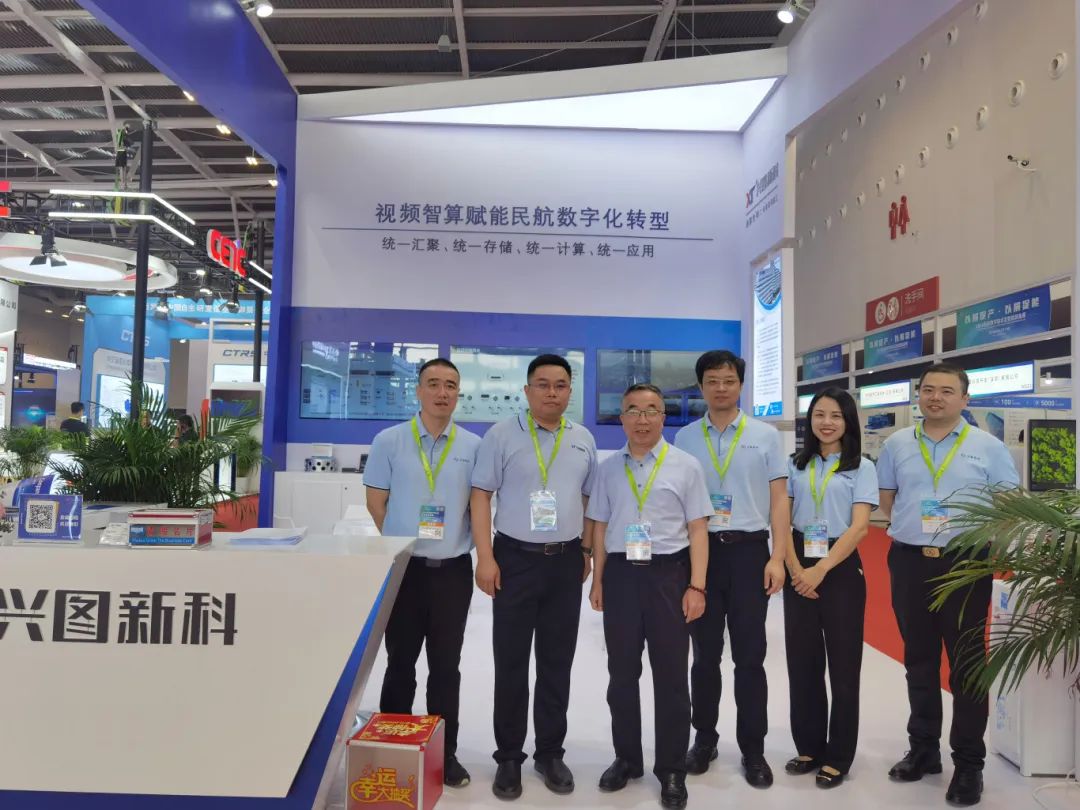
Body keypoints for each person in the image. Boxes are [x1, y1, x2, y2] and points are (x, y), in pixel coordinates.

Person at [877, 363, 1019, 807]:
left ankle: (969, 764)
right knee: (918, 661)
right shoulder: (897, 443)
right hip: (910, 561)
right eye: (928, 390)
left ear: (965, 399)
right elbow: (888, 500)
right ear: (919, 395)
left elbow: (1007, 504)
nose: (935, 397)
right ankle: (923, 750)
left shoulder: (988, 447)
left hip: (965, 565)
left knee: (966, 666)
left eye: (946, 391)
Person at [471, 354, 597, 800]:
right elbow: (481, 496)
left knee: (556, 662)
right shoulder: (501, 435)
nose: (551, 392)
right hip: (515, 560)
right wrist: (485, 557)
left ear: (569, 392)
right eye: (542, 384)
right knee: (510, 662)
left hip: (564, 561)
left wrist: (586, 551)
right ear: (527, 391)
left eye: (560, 385)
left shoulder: (582, 439)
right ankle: (509, 756)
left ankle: (549, 752)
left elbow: (589, 500)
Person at [586, 383, 711, 810]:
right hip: (621, 576)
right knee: (621, 674)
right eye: (633, 411)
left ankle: (672, 768)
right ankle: (627, 758)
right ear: (621, 418)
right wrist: (598, 579)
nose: (642, 419)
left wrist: (697, 586)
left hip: (668, 576)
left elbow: (698, 530)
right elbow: (600, 527)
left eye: (652, 410)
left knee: (671, 677)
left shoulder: (686, 466)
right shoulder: (607, 468)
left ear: (664, 417)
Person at [364, 357, 482, 788]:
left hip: (452, 572)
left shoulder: (474, 446)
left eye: (450, 384)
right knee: (400, 661)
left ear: (458, 392)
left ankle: (444, 754)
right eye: (433, 383)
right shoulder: (389, 441)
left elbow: (477, 507)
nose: (442, 392)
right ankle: (393, 748)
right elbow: (376, 502)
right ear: (418, 390)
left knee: (446, 667)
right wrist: (402, 544)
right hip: (405, 571)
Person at [673, 349, 788, 788]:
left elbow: (779, 499)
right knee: (704, 656)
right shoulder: (684, 438)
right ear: (701, 386)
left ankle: (753, 749)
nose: (721, 388)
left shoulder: (765, 436)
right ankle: (704, 739)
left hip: (749, 554)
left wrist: (777, 557)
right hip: (700, 555)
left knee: (750, 657)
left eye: (729, 380)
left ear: (741, 385)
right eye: (712, 381)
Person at [783, 387, 878, 789]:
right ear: (810, 420)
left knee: (843, 666)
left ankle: (839, 755)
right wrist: (795, 568)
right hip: (797, 561)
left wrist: (820, 569)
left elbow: (860, 528)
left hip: (839, 566)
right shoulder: (795, 464)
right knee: (802, 662)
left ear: (848, 421)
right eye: (819, 414)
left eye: (836, 416)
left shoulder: (861, 467)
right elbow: (781, 519)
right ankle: (808, 746)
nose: (826, 422)